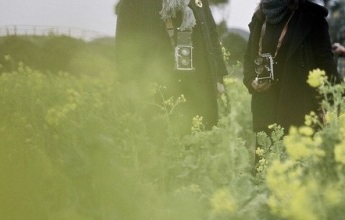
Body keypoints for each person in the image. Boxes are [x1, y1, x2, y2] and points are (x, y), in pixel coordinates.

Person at [115, 0, 228, 130]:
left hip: (197, 82)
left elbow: (212, 34)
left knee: (201, 135)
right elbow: (124, 42)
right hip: (157, 84)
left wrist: (219, 77)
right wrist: (128, 81)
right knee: (162, 136)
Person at [243, 0, 341, 139]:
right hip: (266, 108)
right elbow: (249, 58)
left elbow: (326, 62)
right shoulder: (260, 17)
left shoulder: (311, 16)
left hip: (300, 108)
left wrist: (337, 102)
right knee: (267, 158)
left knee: (298, 160)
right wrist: (251, 80)